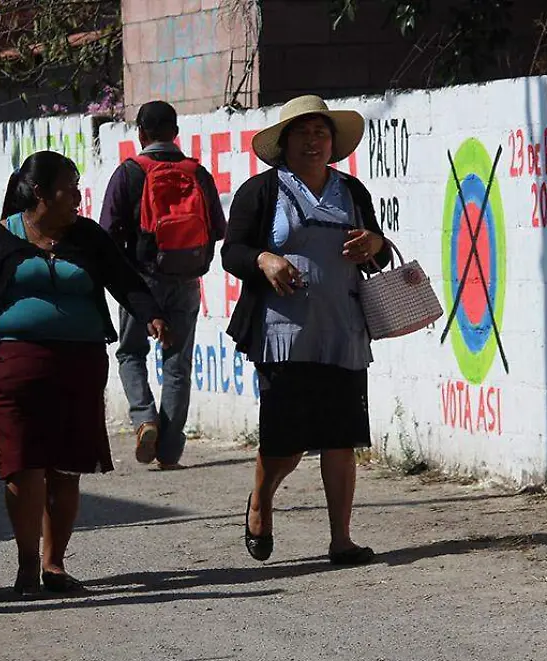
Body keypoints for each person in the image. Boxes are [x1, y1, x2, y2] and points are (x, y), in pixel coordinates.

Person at [0, 151, 169, 594]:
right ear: (40, 192)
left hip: (79, 365)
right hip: (14, 365)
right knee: (24, 465)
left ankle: (54, 564)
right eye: (68, 185)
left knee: (66, 467)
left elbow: (125, 279)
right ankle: (27, 564)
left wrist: (151, 314)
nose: (77, 194)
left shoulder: (88, 237)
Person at [221, 95, 392, 566]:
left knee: (341, 438)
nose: (313, 141)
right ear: (284, 143)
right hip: (283, 334)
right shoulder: (261, 192)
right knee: (286, 441)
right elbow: (232, 251)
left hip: (342, 331)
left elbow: (379, 252)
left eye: (321, 133)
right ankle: (261, 498)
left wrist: (375, 243)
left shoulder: (352, 192)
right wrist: (263, 259)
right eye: (303, 133)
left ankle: (341, 538)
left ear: (333, 143)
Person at [99, 100, 227, 470]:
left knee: (130, 353)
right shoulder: (197, 173)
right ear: (176, 132)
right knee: (177, 363)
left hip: (141, 281)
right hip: (187, 280)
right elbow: (218, 228)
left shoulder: (129, 173)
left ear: (140, 133)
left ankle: (144, 420)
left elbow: (107, 233)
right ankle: (169, 451)